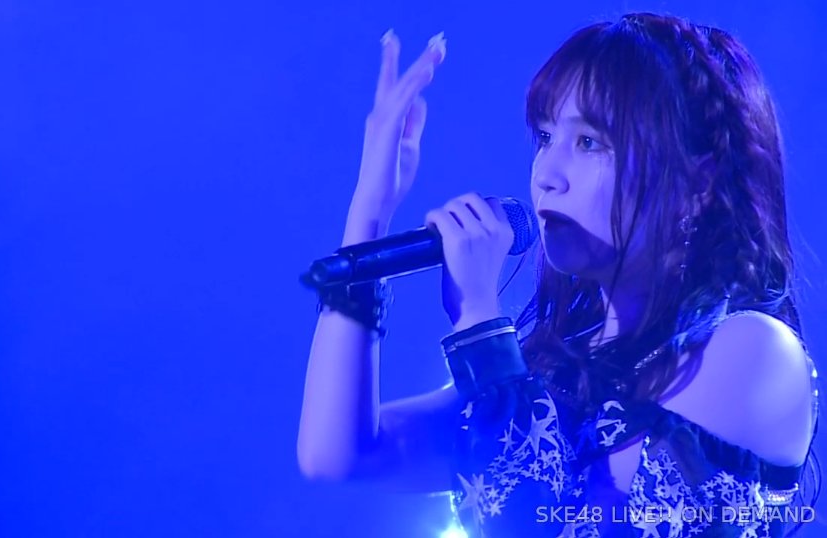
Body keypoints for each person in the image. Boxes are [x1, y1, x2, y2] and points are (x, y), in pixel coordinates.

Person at [297, 12, 819, 537]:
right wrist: (370, 212)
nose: (547, 175)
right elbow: (340, 453)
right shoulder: (556, 370)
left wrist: (479, 320)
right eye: (545, 137)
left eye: (589, 142)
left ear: (698, 182)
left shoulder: (752, 350)